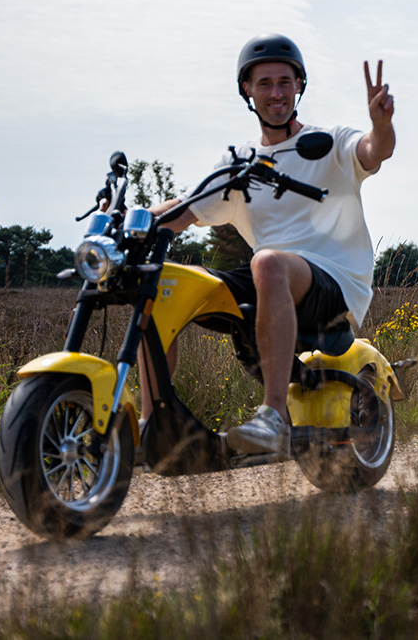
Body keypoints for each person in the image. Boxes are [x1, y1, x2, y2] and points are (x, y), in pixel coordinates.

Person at [142, 33, 395, 453]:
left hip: (334, 283)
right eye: (265, 83)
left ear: (299, 86)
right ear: (247, 90)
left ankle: (273, 416)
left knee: (267, 261)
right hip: (270, 279)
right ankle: (154, 424)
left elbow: (373, 152)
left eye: (284, 82)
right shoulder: (239, 162)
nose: (276, 93)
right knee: (164, 283)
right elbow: (185, 210)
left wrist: (381, 126)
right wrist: (129, 221)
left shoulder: (329, 142)